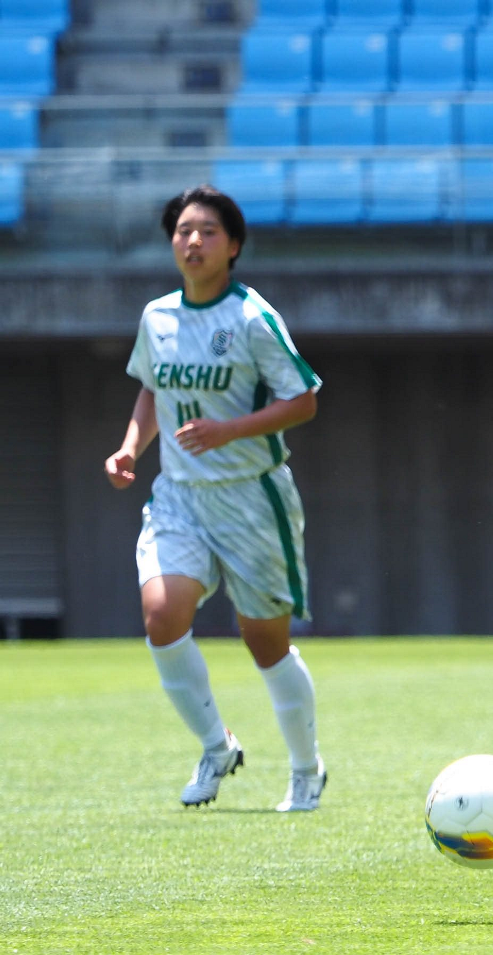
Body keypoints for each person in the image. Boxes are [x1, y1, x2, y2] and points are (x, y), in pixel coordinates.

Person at [103, 185, 328, 811]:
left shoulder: (253, 318)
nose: (192, 240)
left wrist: (227, 430)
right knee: (162, 616)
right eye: (182, 230)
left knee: (264, 641)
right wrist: (129, 449)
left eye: (206, 231)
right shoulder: (157, 317)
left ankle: (306, 770)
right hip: (179, 496)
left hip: (252, 498)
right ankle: (215, 745)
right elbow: (152, 389)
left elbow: (303, 399)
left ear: (233, 245)